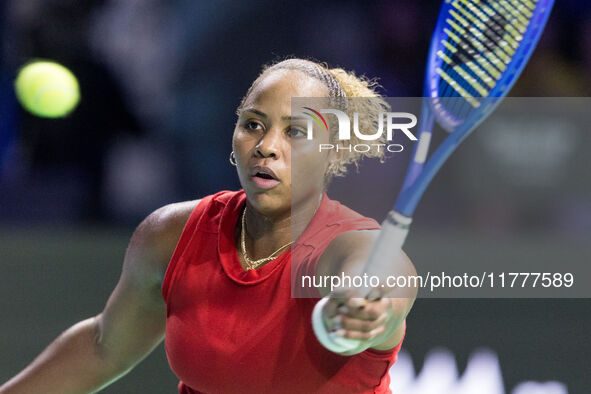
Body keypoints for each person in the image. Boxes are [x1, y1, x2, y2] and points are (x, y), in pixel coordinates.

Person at [0, 58, 415, 394]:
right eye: (253, 124)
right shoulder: (171, 234)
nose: (266, 146)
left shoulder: (348, 245)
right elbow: (103, 347)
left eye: (296, 132)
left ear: (334, 151)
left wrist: (365, 304)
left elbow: (378, 275)